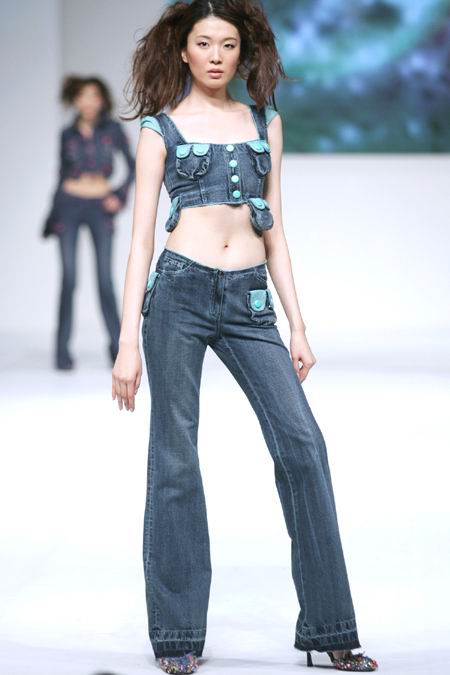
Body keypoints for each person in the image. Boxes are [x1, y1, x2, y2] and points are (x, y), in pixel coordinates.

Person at [113, 1, 379, 672]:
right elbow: (140, 240)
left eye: (227, 44)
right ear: (183, 50)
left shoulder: (265, 123)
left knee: (303, 446)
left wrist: (298, 323)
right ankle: (178, 638)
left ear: (242, 51)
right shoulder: (160, 129)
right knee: (176, 458)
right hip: (177, 295)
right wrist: (125, 341)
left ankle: (330, 627)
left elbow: (275, 229)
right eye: (203, 43)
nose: (215, 55)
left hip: (251, 299)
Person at [41, 75, 135, 369]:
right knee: (69, 278)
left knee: (105, 279)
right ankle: (61, 351)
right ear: (75, 100)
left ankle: (118, 348)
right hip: (69, 205)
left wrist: (119, 196)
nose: (89, 102)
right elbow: (61, 174)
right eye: (83, 96)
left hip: (99, 207)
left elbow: (133, 167)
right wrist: (53, 214)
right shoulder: (67, 134)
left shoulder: (113, 130)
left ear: (102, 100)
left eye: (94, 96)